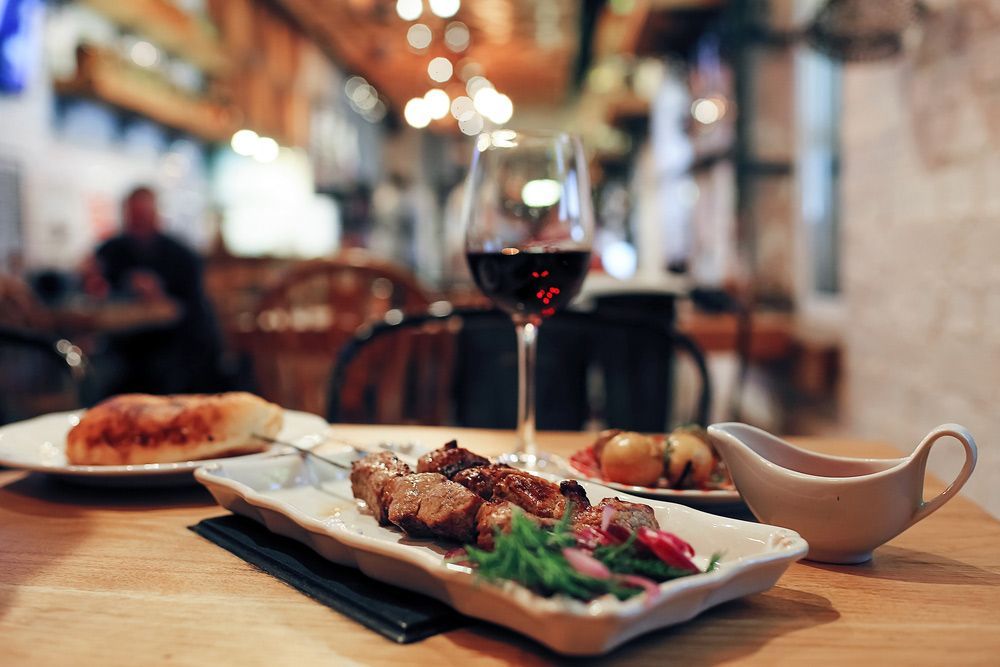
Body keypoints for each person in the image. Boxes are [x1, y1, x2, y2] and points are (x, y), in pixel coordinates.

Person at [90, 186, 223, 395]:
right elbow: (95, 287)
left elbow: (191, 306)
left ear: (155, 215)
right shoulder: (110, 250)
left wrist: (158, 294)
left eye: (144, 216)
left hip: (173, 345)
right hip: (123, 344)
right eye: (134, 216)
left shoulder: (181, 254)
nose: (139, 222)